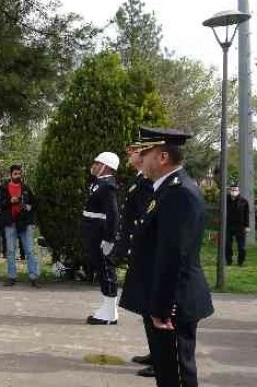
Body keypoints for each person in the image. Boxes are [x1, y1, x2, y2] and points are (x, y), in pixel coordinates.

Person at [135, 127, 214, 387]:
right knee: (168, 374)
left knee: (177, 376)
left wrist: (162, 308)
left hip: (174, 302)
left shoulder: (179, 193)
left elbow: (174, 256)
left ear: (162, 157)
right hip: (168, 298)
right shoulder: (167, 189)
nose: (140, 158)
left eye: (145, 153)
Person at [117, 144, 156, 378]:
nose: (129, 155)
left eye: (133, 151)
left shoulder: (149, 183)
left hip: (147, 252)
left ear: (144, 155)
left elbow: (146, 218)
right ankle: (155, 352)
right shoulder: (139, 179)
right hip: (139, 250)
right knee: (146, 307)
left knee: (154, 307)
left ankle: (162, 358)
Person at [82, 151, 120, 325]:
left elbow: (113, 214)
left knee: (105, 269)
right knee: (101, 267)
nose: (94, 165)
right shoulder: (99, 183)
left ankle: (110, 312)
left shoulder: (108, 186)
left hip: (100, 232)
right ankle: (107, 307)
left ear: (106, 167)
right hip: (93, 230)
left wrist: (109, 238)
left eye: (98, 163)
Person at [0, 164, 39, 287]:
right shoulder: (3, 188)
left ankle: (33, 277)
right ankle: (12, 277)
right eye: (15, 174)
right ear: (10, 174)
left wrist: (29, 207)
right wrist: (10, 201)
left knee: (29, 250)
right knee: (10, 251)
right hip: (10, 223)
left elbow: (34, 203)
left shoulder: (25, 188)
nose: (18, 176)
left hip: (25, 223)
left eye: (20, 174)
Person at [226, 183, 250, 267]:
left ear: (238, 191)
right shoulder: (225, 200)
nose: (234, 191)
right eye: (232, 190)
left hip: (240, 227)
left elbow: (246, 214)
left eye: (235, 190)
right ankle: (228, 261)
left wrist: (247, 226)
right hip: (228, 226)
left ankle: (240, 262)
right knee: (227, 244)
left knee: (241, 247)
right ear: (229, 191)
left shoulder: (244, 201)